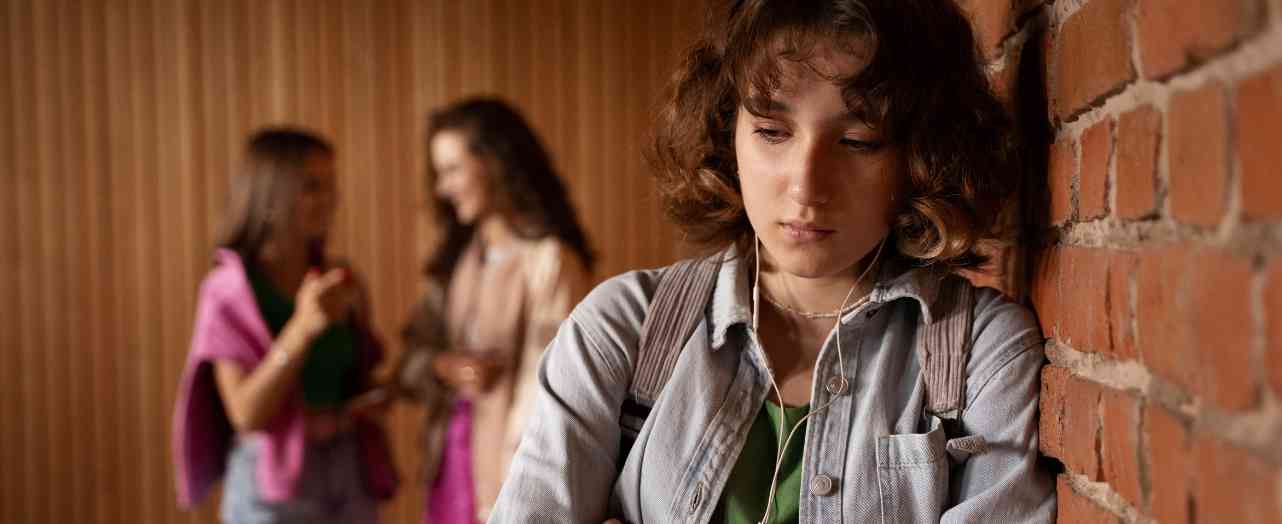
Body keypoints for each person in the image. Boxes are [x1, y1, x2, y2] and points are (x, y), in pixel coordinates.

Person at [490, 0, 1055, 522]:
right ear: (726, 134)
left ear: (924, 156)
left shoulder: (983, 353)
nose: (806, 186)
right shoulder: (624, 328)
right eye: (771, 131)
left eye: (858, 141)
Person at [172, 128, 397, 524]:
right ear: (270, 196)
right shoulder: (227, 292)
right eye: (312, 186)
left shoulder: (342, 280)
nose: (330, 199)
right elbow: (246, 415)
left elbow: (357, 381)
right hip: (272, 480)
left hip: (348, 470)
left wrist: (378, 394)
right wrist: (301, 329)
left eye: (331, 185)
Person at [393, 98, 595, 524]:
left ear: (496, 164)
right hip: (451, 465)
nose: (441, 189)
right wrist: (445, 367)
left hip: (512, 473)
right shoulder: (456, 261)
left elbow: (549, 396)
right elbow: (410, 359)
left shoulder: (550, 262)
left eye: (452, 170)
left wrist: (520, 492)